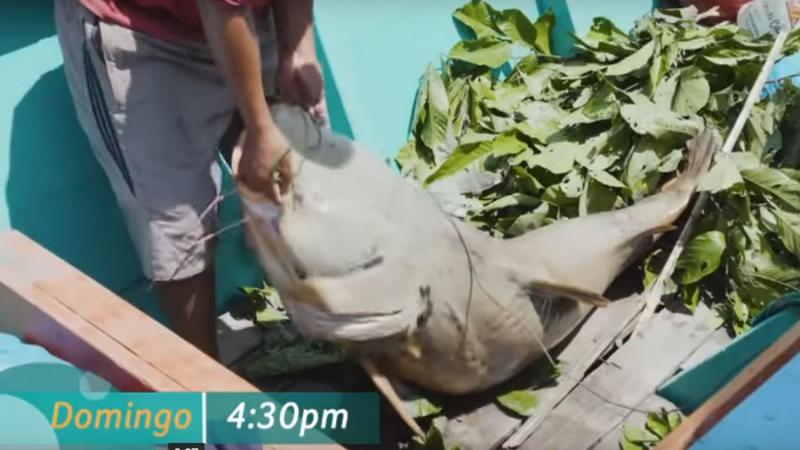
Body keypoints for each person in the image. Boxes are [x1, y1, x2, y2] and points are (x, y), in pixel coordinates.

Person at [53, 0, 327, 359]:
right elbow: (222, 8)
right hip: (141, 30)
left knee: (301, 179)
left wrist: (298, 50)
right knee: (177, 220)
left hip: (248, 16)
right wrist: (260, 128)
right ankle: (206, 377)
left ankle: (323, 325)